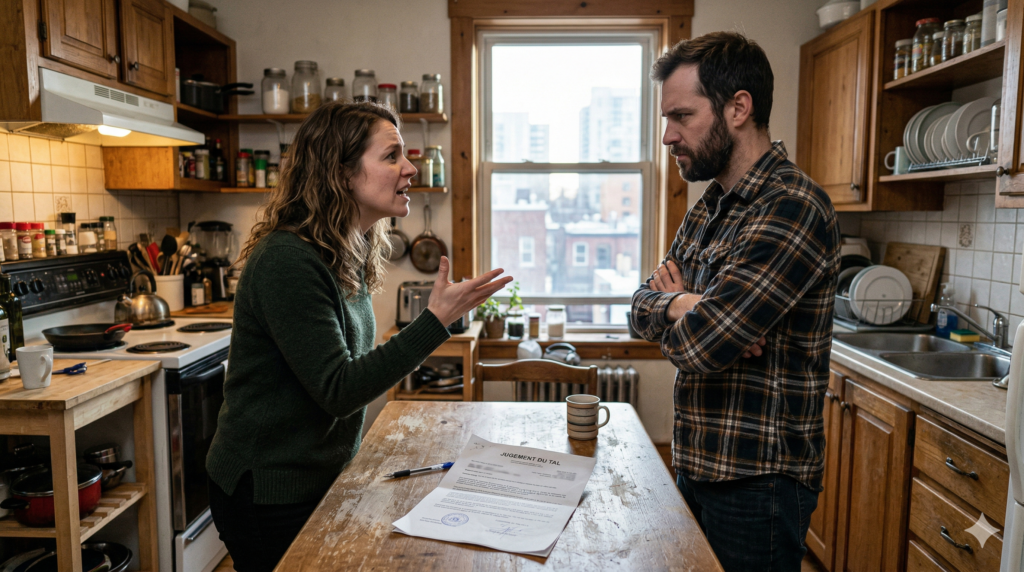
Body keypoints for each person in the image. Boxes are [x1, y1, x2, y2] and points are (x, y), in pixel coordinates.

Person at [206, 102, 513, 572]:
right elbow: (338, 390)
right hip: (267, 490)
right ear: (342, 173)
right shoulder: (287, 260)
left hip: (318, 477)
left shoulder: (346, 250)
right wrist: (433, 322)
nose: (410, 168)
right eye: (392, 156)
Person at [630, 32, 840, 572]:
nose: (667, 136)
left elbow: (703, 345)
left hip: (759, 482)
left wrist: (684, 309)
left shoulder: (793, 206)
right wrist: (684, 303)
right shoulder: (710, 207)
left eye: (681, 116)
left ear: (738, 108)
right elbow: (638, 308)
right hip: (697, 460)